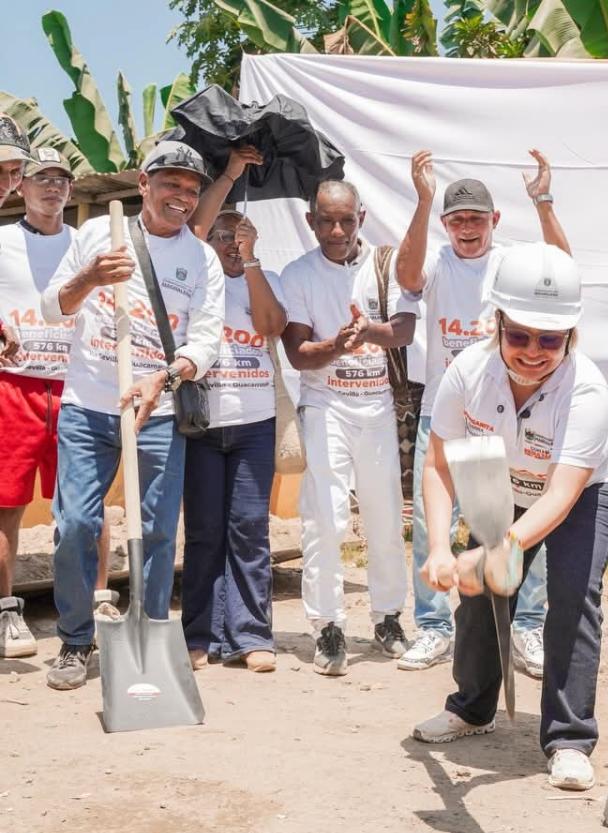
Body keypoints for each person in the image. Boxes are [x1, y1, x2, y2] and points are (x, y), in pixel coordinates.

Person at [411, 243, 608, 793]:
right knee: (482, 593)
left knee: (573, 598)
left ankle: (569, 739)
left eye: (550, 339)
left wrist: (501, 548)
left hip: (587, 491)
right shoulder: (467, 372)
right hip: (506, 481)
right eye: (520, 336)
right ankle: (472, 708)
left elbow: (562, 494)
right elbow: (438, 465)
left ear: (571, 335)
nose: (534, 351)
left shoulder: (586, 390)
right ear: (499, 323)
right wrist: (439, 547)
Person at [40, 140, 224, 690]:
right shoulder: (99, 234)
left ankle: (148, 634)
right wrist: (90, 279)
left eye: (192, 189)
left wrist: (162, 378)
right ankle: (76, 639)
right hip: (88, 406)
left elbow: (206, 342)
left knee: (158, 531)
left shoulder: (202, 259)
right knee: (77, 523)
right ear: (144, 184)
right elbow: (53, 308)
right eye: (171, 184)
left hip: (159, 412)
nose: (183, 197)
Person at [395, 150, 571, 676]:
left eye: (476, 218)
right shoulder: (437, 261)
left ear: (494, 219)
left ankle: (527, 626)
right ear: (446, 224)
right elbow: (406, 276)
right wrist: (424, 200)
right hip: (446, 411)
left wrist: (543, 201)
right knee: (432, 523)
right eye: (457, 220)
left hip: (509, 414)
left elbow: (562, 270)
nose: (467, 228)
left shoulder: (511, 263)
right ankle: (433, 627)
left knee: (522, 521)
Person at [280, 179, 417, 676]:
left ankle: (388, 617)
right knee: (325, 518)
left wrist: (368, 331)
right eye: (326, 221)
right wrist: (338, 344)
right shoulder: (299, 275)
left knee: (385, 516)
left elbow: (405, 329)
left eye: (345, 220)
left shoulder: (385, 264)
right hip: (326, 407)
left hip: (377, 408)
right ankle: (327, 625)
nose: (336, 231)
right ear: (311, 222)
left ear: (361, 218)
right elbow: (298, 353)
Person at [0, 146, 114, 658]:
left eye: (61, 179)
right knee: (7, 504)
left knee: (88, 506)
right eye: (41, 178)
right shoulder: (2, 240)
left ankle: (100, 601)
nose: (52, 187)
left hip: (78, 387)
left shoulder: (84, 244)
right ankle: (6, 612)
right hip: (16, 386)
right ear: (21, 185)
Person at [182, 146, 286, 673]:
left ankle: (250, 634)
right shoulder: (194, 277)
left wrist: (252, 261)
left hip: (253, 424)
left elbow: (271, 326)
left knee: (248, 528)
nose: (228, 243)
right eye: (220, 236)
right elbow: (197, 227)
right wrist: (229, 174)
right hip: (201, 423)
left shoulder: (263, 277)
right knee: (204, 532)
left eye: (237, 235)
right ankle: (199, 633)